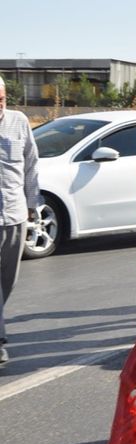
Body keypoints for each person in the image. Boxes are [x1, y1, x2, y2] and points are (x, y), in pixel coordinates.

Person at [0, 77, 39, 365]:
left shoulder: (18, 120)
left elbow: (31, 163)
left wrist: (32, 203)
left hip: (14, 214)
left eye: (0, 99)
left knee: (7, 281)